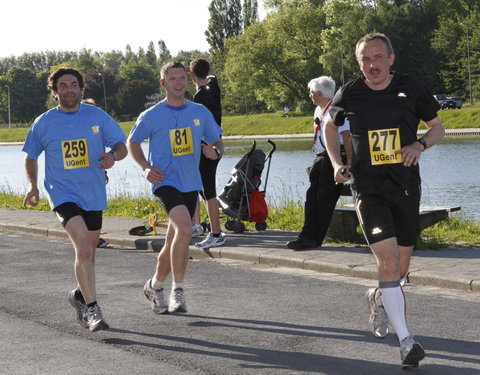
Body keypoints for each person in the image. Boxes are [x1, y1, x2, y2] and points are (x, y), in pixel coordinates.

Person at [324, 33, 445, 369]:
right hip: (368, 189)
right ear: (359, 62)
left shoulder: (411, 87)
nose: (372, 65)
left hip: (405, 187)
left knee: (400, 269)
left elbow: (438, 128)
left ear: (391, 58)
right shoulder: (350, 92)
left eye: (378, 57)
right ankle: (406, 342)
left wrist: (419, 145)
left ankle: (379, 297)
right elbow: (330, 130)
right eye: (366, 59)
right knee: (389, 263)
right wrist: (337, 164)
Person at [22, 67, 127, 332]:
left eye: (73, 85)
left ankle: (79, 295)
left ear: (81, 88)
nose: (69, 90)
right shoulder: (44, 122)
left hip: (92, 192)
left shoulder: (97, 116)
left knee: (89, 251)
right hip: (62, 192)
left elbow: (121, 146)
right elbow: (31, 155)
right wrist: (33, 186)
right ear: (54, 91)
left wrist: (112, 157)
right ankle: (93, 309)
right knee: (82, 246)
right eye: (63, 86)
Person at [127, 61, 223, 314]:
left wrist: (214, 152)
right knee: (184, 228)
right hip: (164, 181)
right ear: (163, 83)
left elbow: (218, 142)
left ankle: (154, 285)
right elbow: (132, 143)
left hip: (190, 183)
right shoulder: (151, 115)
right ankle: (177, 291)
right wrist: (146, 167)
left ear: (187, 80)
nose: (178, 83)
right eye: (173, 79)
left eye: (182, 78)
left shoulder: (200, 111)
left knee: (173, 241)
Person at [286, 76, 351, 250]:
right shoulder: (318, 110)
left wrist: (349, 164)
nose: (310, 95)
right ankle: (306, 236)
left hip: (336, 157)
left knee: (324, 199)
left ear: (321, 94)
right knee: (311, 197)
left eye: (312, 92)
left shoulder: (337, 111)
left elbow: (347, 136)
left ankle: (314, 239)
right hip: (321, 157)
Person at [188, 58, 226, 248]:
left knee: (208, 192)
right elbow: (213, 77)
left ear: (192, 75)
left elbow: (200, 125)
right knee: (205, 190)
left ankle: (216, 233)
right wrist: (209, 71)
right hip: (217, 144)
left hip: (206, 148)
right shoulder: (214, 88)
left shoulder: (199, 96)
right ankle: (209, 228)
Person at [82, 98, 109, 249]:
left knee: (94, 204)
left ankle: (93, 237)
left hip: (95, 175)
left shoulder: (96, 129)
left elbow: (100, 151)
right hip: (78, 177)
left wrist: (103, 171)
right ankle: (86, 238)